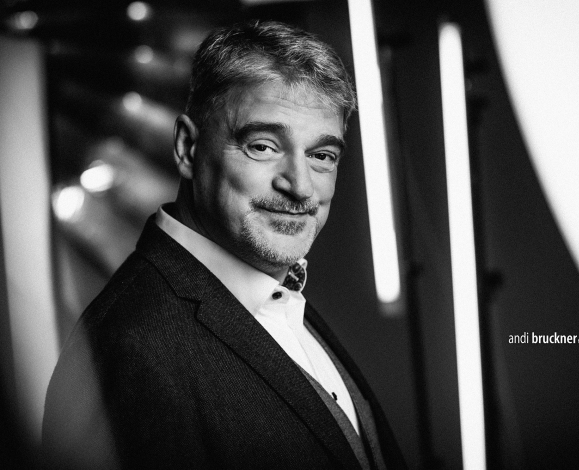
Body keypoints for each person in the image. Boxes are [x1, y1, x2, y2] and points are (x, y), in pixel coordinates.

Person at [42, 20, 406, 470]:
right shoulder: (128, 346)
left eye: (321, 156)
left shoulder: (278, 298)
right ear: (188, 148)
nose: (300, 186)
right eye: (263, 146)